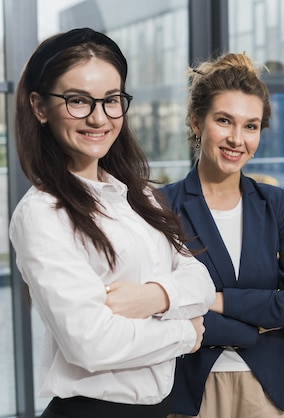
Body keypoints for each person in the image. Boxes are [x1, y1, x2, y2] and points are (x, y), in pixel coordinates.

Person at [8, 28, 215, 418]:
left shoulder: (140, 197)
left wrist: (154, 297)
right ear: (39, 107)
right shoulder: (42, 213)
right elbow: (91, 343)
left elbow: (200, 281)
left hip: (162, 409)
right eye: (77, 101)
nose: (98, 117)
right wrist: (185, 332)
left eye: (111, 100)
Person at [162, 52, 284, 418]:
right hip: (193, 391)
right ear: (196, 122)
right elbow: (164, 311)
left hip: (271, 390)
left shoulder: (275, 203)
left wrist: (212, 300)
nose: (237, 139)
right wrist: (252, 327)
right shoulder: (162, 207)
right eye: (224, 121)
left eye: (250, 126)